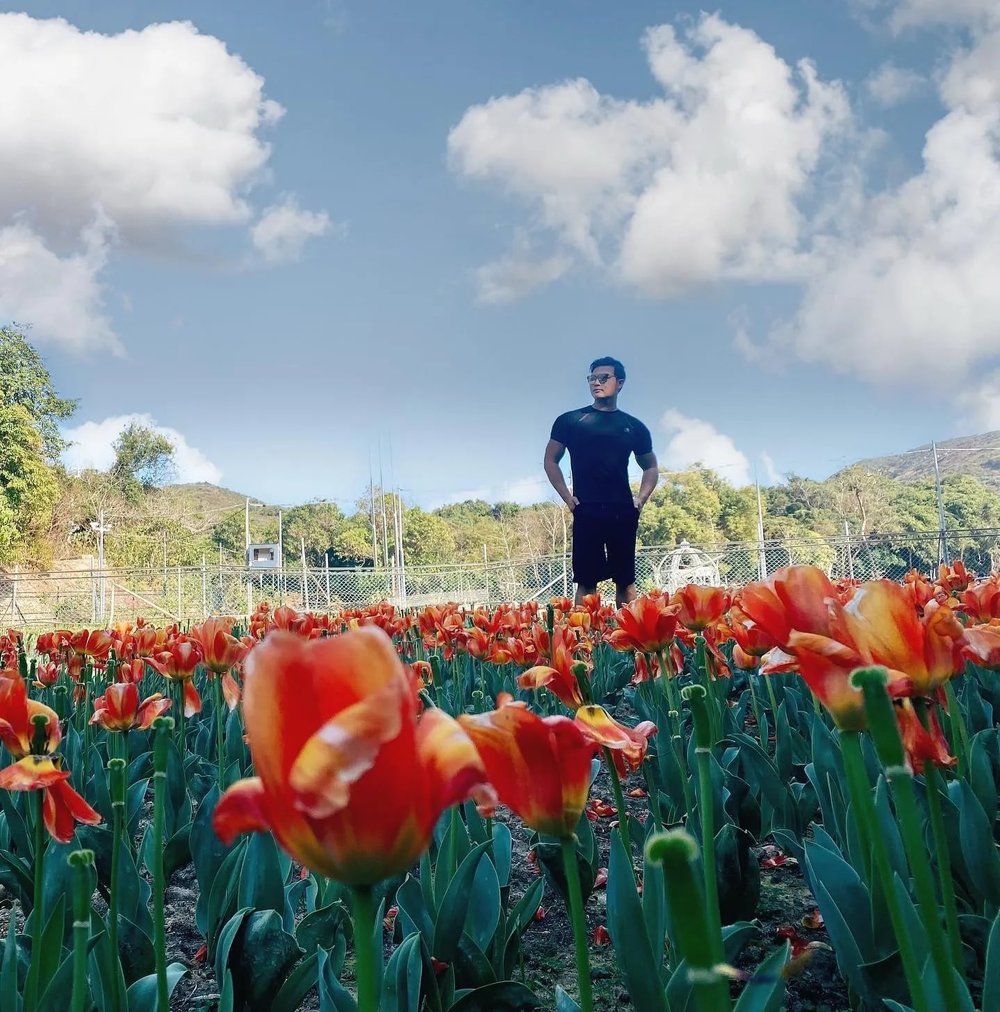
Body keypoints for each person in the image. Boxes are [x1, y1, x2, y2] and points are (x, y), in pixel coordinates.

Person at [544, 356, 659, 607]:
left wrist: (640, 500)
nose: (596, 382)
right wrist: (567, 497)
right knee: (586, 582)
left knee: (626, 582)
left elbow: (650, 466)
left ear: (620, 383)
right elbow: (551, 460)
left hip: (623, 510)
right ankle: (585, 632)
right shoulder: (570, 421)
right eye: (592, 378)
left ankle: (629, 631)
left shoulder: (634, 426)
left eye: (603, 378)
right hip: (586, 509)